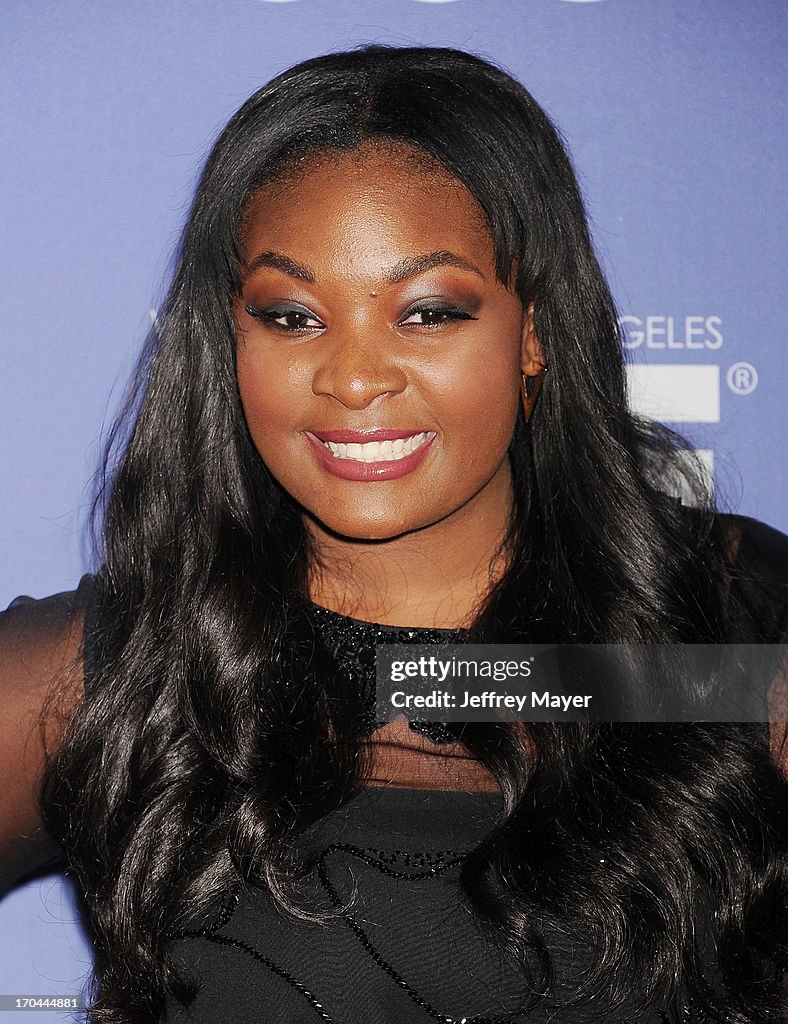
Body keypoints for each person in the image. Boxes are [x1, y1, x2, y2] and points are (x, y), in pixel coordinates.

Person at [1, 43, 786, 1024]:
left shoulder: (723, 626)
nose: (354, 377)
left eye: (425, 311)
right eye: (291, 317)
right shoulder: (130, 672)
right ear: (226, 337)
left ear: (531, 328)